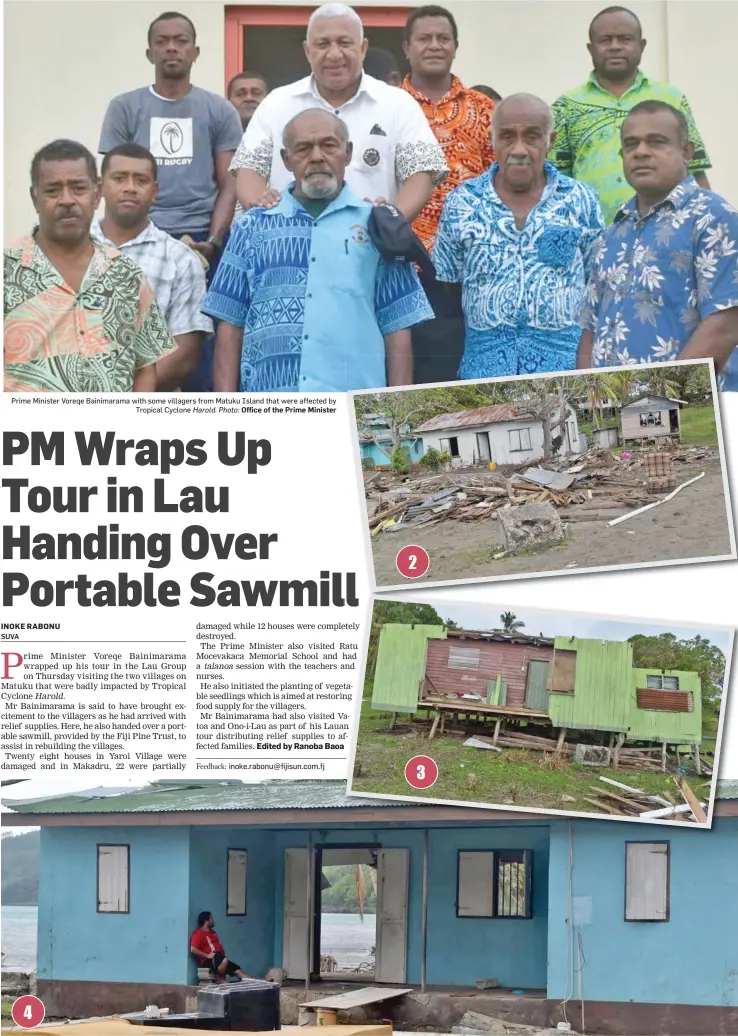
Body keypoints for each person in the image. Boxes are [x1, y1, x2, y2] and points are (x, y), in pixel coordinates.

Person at [204, 109, 433, 393]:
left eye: (329, 145)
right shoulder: (252, 226)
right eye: (303, 148)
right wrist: (226, 409)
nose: (316, 157)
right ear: (287, 160)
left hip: (353, 407)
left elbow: (398, 325)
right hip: (269, 408)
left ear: (347, 153)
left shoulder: (379, 226)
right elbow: (229, 323)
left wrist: (398, 406)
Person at [433, 94, 605, 379]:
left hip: (566, 372)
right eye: (508, 137)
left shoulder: (580, 199)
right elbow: (448, 285)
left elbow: (597, 285)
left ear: (551, 140)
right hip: (483, 373)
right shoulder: (462, 203)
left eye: (532, 137)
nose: (519, 149)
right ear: (492, 139)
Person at [229, 3, 447, 223]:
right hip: (288, 244)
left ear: (362, 49)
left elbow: (421, 175)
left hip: (372, 245)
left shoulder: (398, 104)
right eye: (322, 44)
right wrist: (262, 211)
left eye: (344, 43)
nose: (334, 54)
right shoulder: (276, 103)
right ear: (307, 51)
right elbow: (249, 170)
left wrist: (392, 221)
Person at [578, 101, 738, 389]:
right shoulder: (611, 235)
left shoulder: (713, 217)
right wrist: (589, 395)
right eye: (631, 144)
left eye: (657, 142)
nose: (640, 151)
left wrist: (664, 402)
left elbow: (725, 323)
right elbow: (590, 329)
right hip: (619, 412)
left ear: (686, 152)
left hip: (695, 413)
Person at [4, 140, 174, 393]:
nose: (66, 200)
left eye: (78, 188)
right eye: (52, 190)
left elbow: (145, 367)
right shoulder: (7, 272)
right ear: (34, 197)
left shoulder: (126, 275)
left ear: (96, 194)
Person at [99, 11, 243, 264]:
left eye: (181, 40)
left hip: (200, 234)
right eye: (162, 41)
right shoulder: (124, 107)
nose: (171, 48)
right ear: (149, 53)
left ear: (195, 52)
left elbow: (230, 184)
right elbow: (116, 182)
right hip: (138, 232)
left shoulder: (220, 110)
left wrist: (214, 240)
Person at [401, 4, 497, 383]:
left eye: (443, 38)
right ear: (407, 46)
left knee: (465, 370)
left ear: (456, 46)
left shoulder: (484, 109)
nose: (434, 45)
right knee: (408, 372)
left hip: (473, 269)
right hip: (403, 265)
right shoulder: (389, 107)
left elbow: (499, 181)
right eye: (424, 38)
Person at [550, 5, 711, 224]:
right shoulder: (567, 106)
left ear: (641, 46)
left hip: (669, 231)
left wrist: (706, 221)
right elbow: (557, 180)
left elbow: (695, 169)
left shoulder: (670, 98)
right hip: (593, 235)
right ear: (590, 49)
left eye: (625, 39)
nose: (615, 46)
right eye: (605, 40)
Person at [91, 143, 213, 390]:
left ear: (155, 190)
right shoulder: (67, 249)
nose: (129, 187)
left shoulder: (180, 260)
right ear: (100, 187)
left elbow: (185, 355)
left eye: (140, 180)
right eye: (119, 178)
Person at [190, 912, 249, 983]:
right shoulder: (198, 934)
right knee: (217, 955)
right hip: (209, 960)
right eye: (211, 919)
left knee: (238, 971)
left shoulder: (213, 932)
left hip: (221, 958)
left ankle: (256, 982)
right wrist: (207, 955)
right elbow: (193, 949)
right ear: (206, 921)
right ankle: (221, 971)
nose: (213, 921)